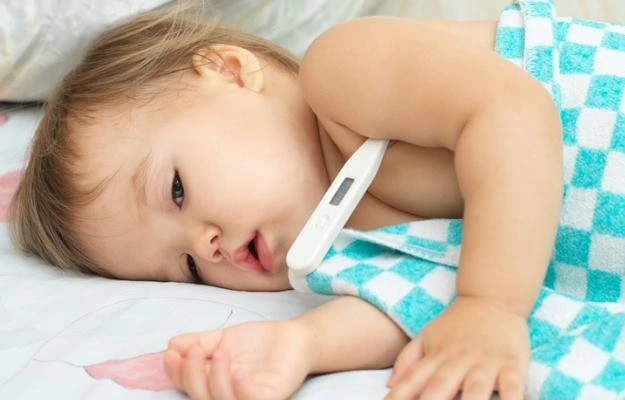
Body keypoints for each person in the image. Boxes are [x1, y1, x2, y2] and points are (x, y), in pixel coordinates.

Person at [7, 1, 569, 399]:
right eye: (188, 268)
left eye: (177, 190)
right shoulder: (339, 250)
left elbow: (512, 111)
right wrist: (302, 344)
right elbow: (416, 301)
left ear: (230, 72)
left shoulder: (344, 74)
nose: (207, 247)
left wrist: (490, 305)